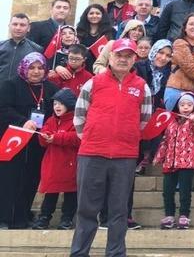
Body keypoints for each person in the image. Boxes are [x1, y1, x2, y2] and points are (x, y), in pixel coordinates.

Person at [70, 38, 152, 257]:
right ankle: (79, 253)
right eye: (119, 55)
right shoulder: (94, 82)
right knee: (87, 209)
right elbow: (79, 114)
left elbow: (144, 118)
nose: (123, 59)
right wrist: (90, 137)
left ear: (135, 58)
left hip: (124, 156)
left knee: (119, 210)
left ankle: (116, 253)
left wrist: (126, 136)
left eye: (128, 56)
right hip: (92, 153)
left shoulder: (141, 86)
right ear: (110, 56)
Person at [0, 52, 59, 229]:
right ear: (24, 68)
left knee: (31, 179)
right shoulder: (10, 85)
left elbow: (57, 113)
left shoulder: (51, 88)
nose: (36, 71)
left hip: (37, 143)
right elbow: (2, 109)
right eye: (32, 67)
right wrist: (22, 121)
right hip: (13, 139)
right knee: (9, 179)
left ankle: (22, 217)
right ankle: (4, 217)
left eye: (40, 68)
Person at [32, 88, 80, 230]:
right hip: (52, 162)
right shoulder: (51, 120)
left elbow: (78, 137)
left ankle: (67, 219)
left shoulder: (77, 120)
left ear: (69, 104)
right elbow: (43, 135)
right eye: (55, 104)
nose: (57, 107)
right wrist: (44, 136)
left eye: (61, 103)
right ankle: (44, 217)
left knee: (71, 193)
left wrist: (56, 137)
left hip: (70, 163)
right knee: (50, 193)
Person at [154, 92, 194, 230]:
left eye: (189, 104)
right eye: (182, 104)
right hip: (170, 162)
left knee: (184, 191)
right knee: (167, 190)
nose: (186, 107)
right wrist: (159, 156)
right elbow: (165, 141)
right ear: (177, 106)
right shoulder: (171, 122)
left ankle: (184, 215)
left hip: (187, 163)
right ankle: (169, 215)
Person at [133, 39, 173, 175]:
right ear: (154, 51)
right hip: (138, 107)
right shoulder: (139, 66)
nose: (163, 58)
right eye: (161, 53)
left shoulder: (168, 73)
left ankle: (147, 158)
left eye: (168, 55)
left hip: (156, 110)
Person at [1, 13, 43, 82]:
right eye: (15, 24)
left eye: (22, 25)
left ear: (28, 28)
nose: (18, 28)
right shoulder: (1, 46)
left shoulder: (36, 50)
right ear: (9, 26)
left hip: (22, 90)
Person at [75, 3, 114, 71]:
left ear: (103, 15)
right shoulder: (78, 31)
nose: (94, 15)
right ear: (86, 15)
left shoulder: (111, 31)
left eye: (97, 13)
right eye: (91, 13)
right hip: (83, 67)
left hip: (102, 68)